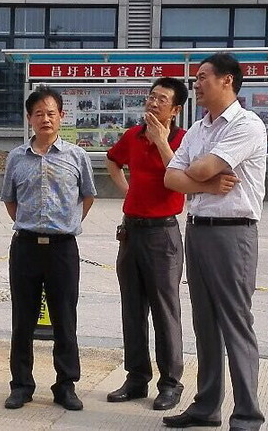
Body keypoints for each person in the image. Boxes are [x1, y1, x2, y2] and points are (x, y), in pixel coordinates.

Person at [163, 53, 267, 431]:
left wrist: (198, 175)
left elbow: (199, 167)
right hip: (197, 229)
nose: (196, 84)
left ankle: (247, 415)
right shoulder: (198, 128)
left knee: (235, 322)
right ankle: (207, 406)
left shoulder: (247, 125)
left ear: (227, 80)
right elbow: (171, 179)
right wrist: (206, 185)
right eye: (196, 77)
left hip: (233, 233)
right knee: (204, 323)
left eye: (203, 77)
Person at [0, 87, 97, 412]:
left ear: (61, 117)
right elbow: (10, 201)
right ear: (30, 118)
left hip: (62, 249)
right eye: (38, 113)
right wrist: (32, 224)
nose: (45, 119)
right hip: (25, 247)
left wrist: (67, 224)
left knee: (65, 319)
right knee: (22, 320)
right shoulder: (16, 157)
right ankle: (21, 385)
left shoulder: (76, 156)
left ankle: (65, 385)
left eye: (51, 113)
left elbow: (87, 196)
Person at [104, 77, 189, 412]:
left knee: (165, 312)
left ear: (175, 109)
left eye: (161, 99)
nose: (153, 103)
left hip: (162, 235)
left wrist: (162, 141)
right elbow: (113, 160)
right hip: (131, 232)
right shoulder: (132, 136)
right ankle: (137, 378)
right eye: (151, 97)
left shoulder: (184, 139)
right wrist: (128, 191)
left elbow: (181, 176)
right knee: (132, 309)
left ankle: (170, 383)